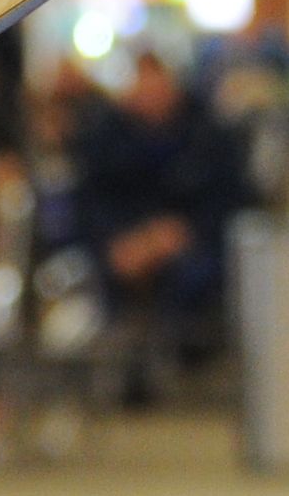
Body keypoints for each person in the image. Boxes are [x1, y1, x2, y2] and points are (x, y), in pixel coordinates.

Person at [66, 47, 249, 367]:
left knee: (195, 279)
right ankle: (121, 369)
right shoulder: (106, 138)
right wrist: (125, 243)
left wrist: (177, 235)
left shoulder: (208, 135)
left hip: (194, 246)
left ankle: (183, 364)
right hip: (123, 246)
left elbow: (230, 202)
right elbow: (91, 202)